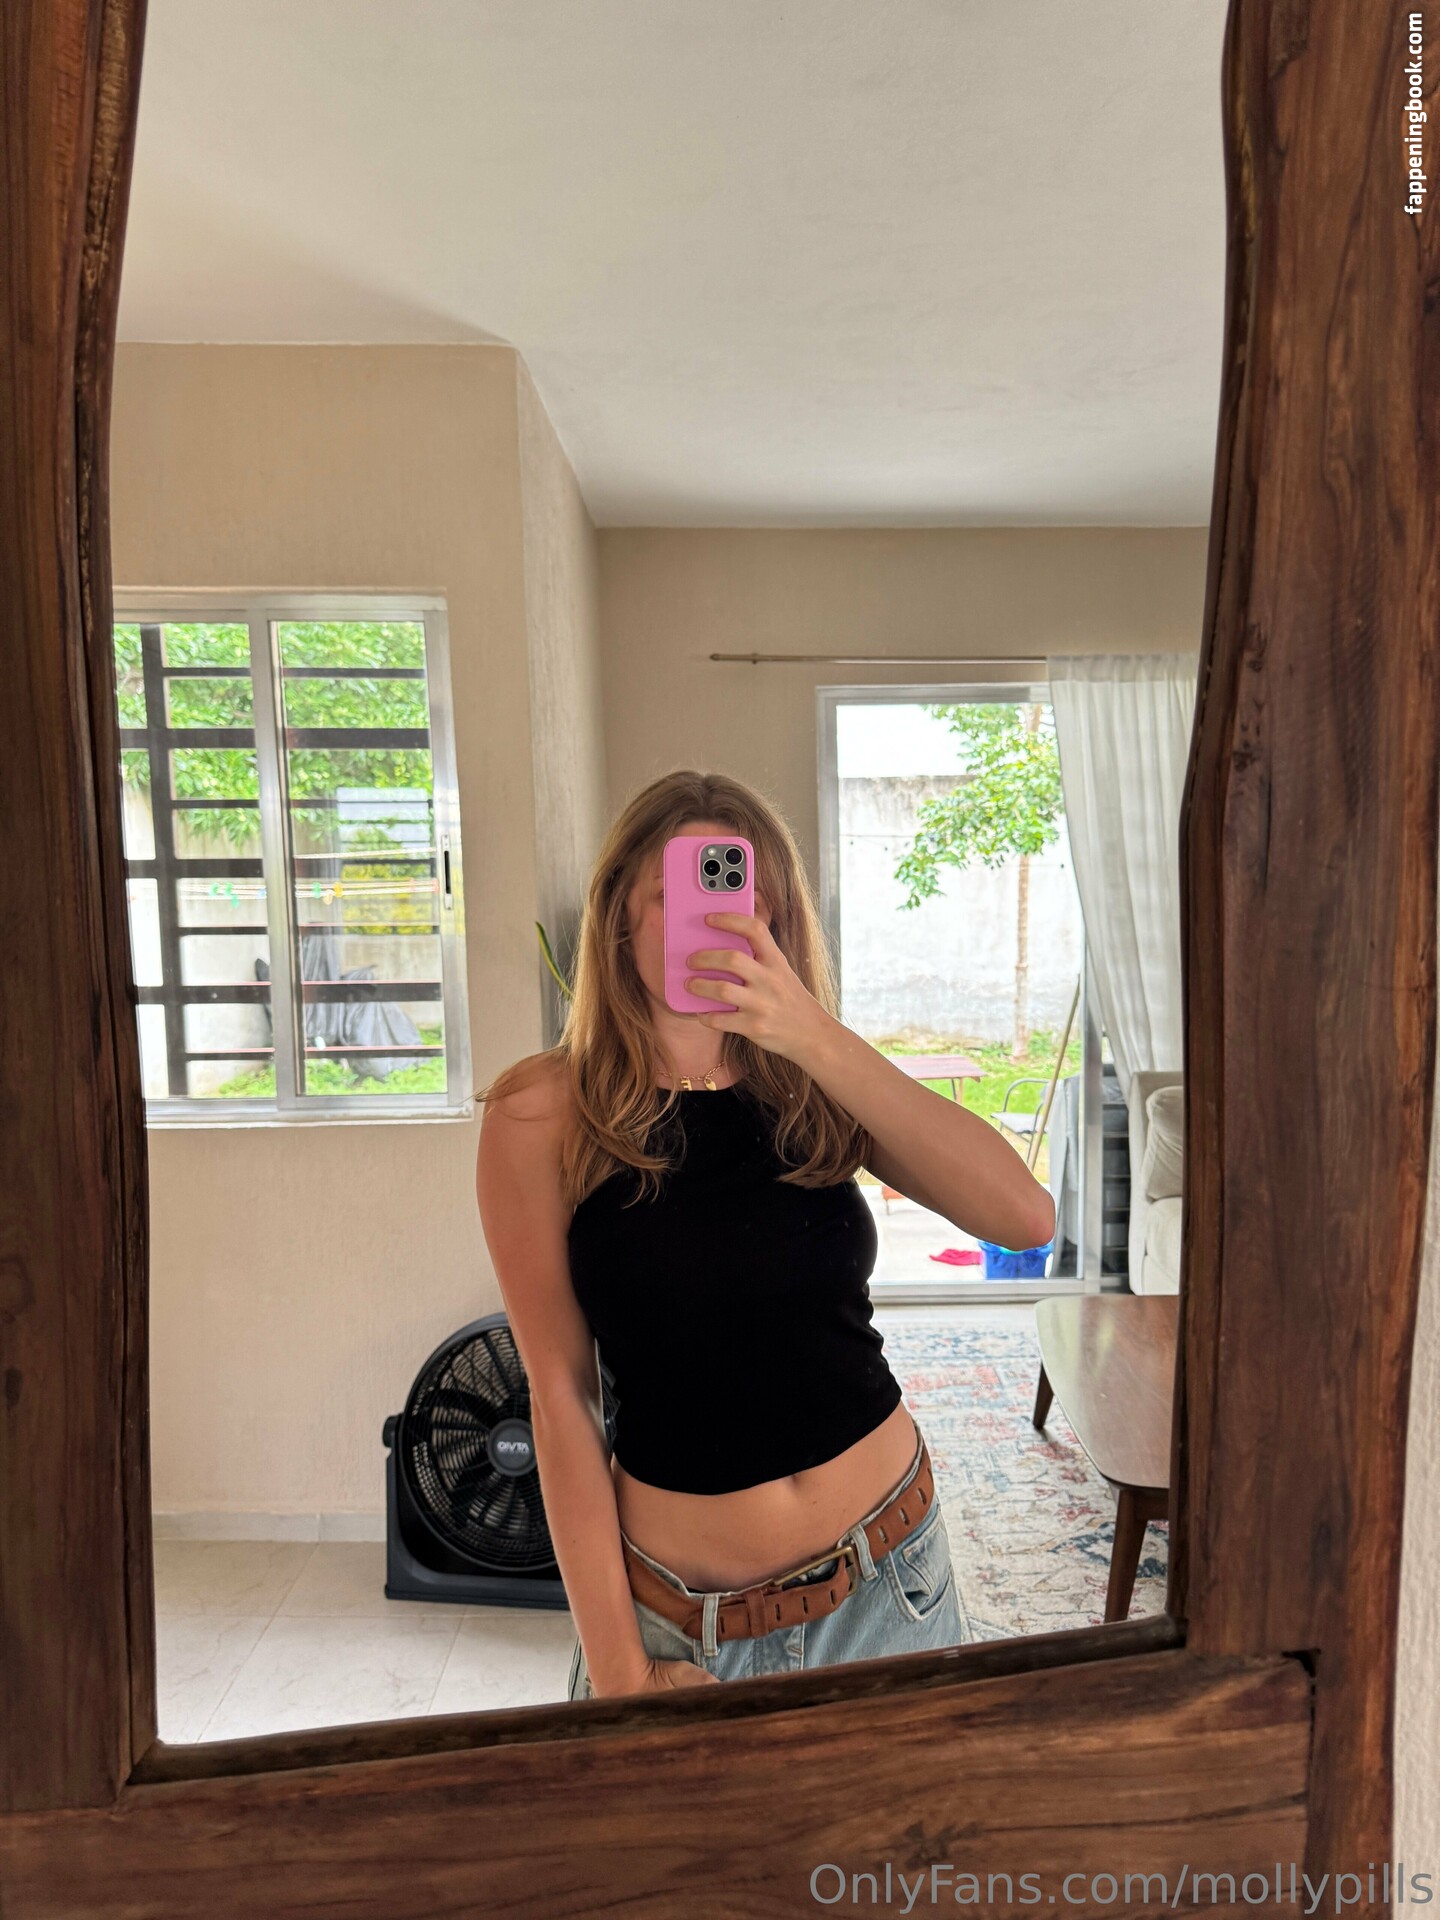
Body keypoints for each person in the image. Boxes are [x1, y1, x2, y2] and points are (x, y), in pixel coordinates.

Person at [474, 769, 1055, 1700]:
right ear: (620, 914)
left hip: (891, 1580)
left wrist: (812, 1034)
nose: (717, 921)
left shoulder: (813, 1080)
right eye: (677, 894)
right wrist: (620, 1672)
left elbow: (1023, 1217)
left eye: (746, 898)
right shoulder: (543, 1113)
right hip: (683, 1625)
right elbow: (560, 1397)